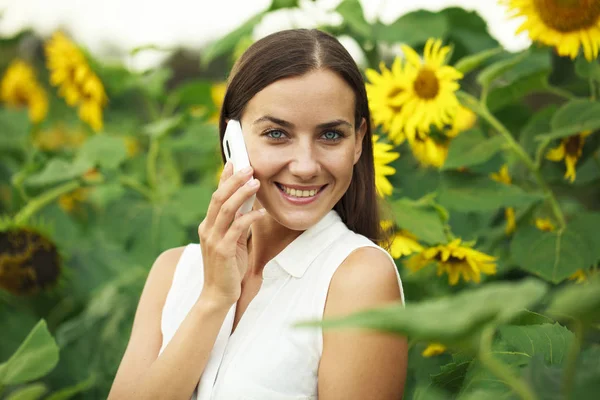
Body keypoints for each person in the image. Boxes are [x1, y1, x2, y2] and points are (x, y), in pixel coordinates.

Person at [109, 28, 407, 400]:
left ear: (359, 141)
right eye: (277, 134)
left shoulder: (358, 280)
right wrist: (214, 298)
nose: (304, 166)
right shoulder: (172, 273)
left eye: (330, 136)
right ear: (231, 139)